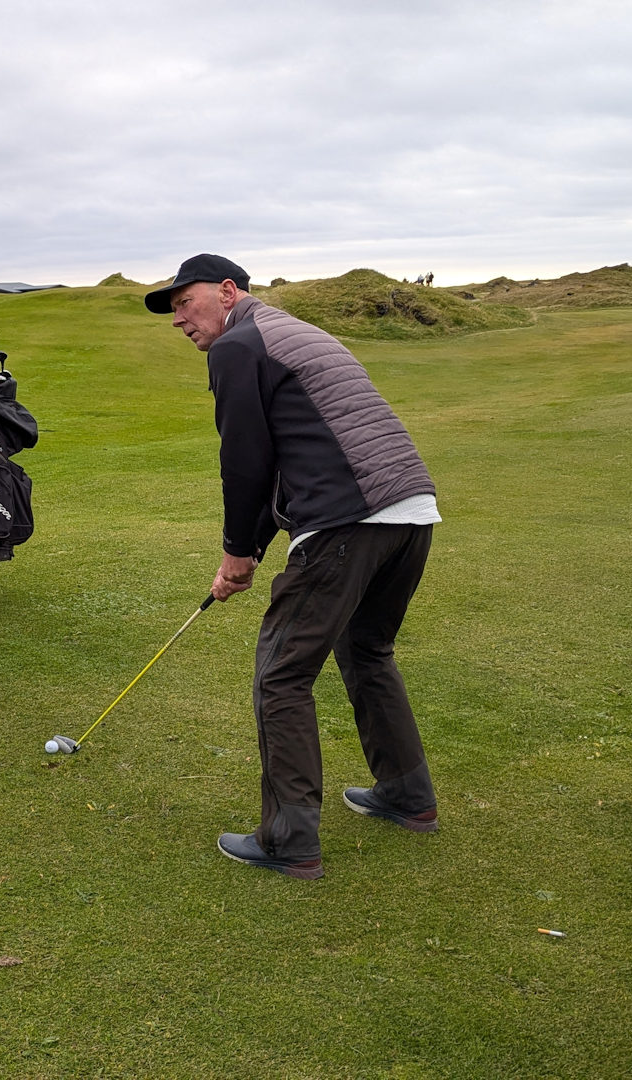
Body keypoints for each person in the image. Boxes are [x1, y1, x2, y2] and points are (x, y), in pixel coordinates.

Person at [145, 254, 441, 880]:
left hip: (348, 521)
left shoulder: (238, 346)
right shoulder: (291, 333)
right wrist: (247, 553)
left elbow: (247, 462)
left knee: (282, 674)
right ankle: (408, 797)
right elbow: (289, 458)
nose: (178, 319)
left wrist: (233, 553)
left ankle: (289, 839)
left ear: (228, 292)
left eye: (184, 302)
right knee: (367, 650)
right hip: (411, 513)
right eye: (171, 309)